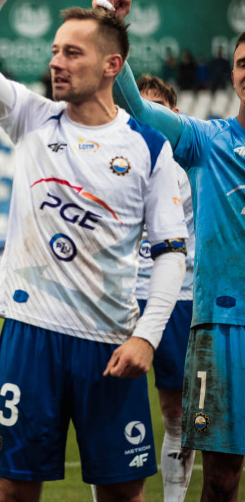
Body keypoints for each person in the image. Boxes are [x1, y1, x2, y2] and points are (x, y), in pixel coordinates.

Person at [0, 0, 187, 502]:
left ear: (111, 66)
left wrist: (147, 337)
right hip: (30, 335)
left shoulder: (150, 147)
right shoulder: (31, 117)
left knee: (123, 494)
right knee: (9, 490)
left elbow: (171, 252)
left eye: (73, 53)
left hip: (109, 343)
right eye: (55, 51)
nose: (57, 62)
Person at [103, 0, 245, 502]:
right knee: (222, 474)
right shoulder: (208, 141)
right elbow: (132, 106)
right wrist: (113, 29)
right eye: (242, 62)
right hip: (218, 323)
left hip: (198, 309)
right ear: (231, 75)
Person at [128, 74, 196, 502]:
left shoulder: (192, 166)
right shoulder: (112, 159)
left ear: (173, 116)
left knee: (176, 414)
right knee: (112, 413)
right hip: (119, 299)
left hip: (179, 300)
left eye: (154, 111)